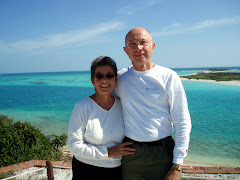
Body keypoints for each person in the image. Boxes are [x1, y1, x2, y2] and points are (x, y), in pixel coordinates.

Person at [114, 27, 192, 180]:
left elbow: (182, 121)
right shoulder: (120, 79)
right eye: (132, 44)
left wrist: (177, 165)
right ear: (125, 50)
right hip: (131, 153)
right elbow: (105, 107)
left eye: (143, 42)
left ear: (153, 46)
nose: (138, 48)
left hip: (162, 153)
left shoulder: (168, 76)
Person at [68, 56, 135, 180]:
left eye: (109, 76)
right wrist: (107, 153)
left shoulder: (123, 106)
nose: (105, 80)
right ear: (92, 80)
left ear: (116, 79)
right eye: (99, 76)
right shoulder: (82, 107)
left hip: (117, 171)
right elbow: (74, 145)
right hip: (86, 170)